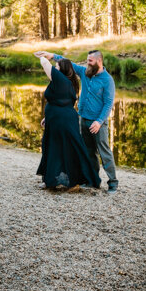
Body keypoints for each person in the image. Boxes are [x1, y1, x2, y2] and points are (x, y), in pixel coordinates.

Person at [37, 50, 118, 194]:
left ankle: (113, 183)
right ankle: (93, 181)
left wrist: (99, 122)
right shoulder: (85, 72)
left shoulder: (107, 80)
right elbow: (69, 65)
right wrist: (52, 56)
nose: (88, 63)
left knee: (104, 152)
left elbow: (108, 103)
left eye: (90, 61)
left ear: (99, 61)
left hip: (98, 123)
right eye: (87, 60)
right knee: (88, 152)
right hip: (82, 119)